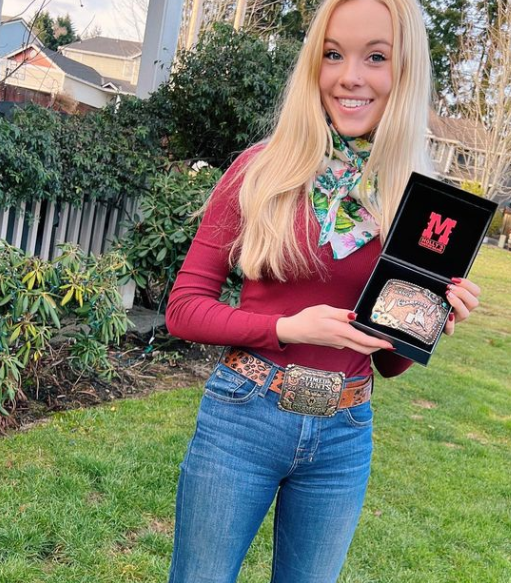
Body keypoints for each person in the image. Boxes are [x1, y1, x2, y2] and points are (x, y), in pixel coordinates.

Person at [165, 0, 481, 580]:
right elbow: (184, 310)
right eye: (333, 54)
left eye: (376, 57)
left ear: (405, 71)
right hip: (243, 417)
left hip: (345, 434)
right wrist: (287, 327)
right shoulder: (261, 169)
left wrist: (425, 323)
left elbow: (386, 364)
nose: (349, 76)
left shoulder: (418, 204)